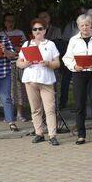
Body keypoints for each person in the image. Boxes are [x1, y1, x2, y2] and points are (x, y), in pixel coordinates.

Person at [62, 14, 92, 145]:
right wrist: (74, 66)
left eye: (87, 24)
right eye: (81, 25)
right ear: (78, 26)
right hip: (79, 74)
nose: (84, 27)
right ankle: (81, 135)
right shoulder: (73, 40)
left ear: (91, 25)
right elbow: (66, 58)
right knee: (79, 105)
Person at [16, 18, 60, 146]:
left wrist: (47, 63)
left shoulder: (50, 44)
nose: (37, 31)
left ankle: (52, 135)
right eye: (35, 29)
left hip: (46, 80)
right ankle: (39, 133)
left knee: (50, 108)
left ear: (45, 30)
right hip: (30, 80)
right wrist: (26, 63)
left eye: (40, 29)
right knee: (35, 109)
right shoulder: (27, 44)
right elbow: (19, 62)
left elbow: (57, 63)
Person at [0, 13, 28, 122]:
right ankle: (9, 114)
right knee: (8, 90)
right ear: (4, 22)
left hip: (18, 63)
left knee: (19, 89)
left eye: (12, 21)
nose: (10, 23)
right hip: (5, 64)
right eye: (8, 21)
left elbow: (26, 47)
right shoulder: (1, 34)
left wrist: (17, 47)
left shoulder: (20, 33)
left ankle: (20, 113)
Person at [59, 6, 87, 109]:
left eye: (82, 13)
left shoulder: (87, 26)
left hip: (84, 59)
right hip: (71, 58)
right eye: (78, 13)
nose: (80, 15)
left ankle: (80, 104)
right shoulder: (69, 26)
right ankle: (63, 101)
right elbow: (65, 41)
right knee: (65, 81)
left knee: (81, 84)